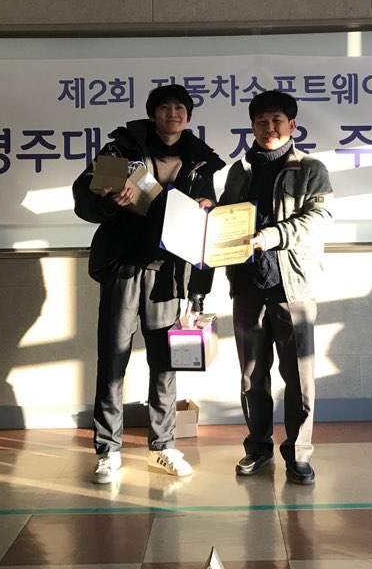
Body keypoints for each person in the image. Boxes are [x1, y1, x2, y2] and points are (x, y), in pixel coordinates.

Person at [72, 84, 225, 484]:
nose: (173, 113)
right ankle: (108, 450)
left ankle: (164, 445)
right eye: (164, 107)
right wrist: (110, 202)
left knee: (165, 362)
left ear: (188, 116)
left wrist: (198, 290)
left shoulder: (201, 161)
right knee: (113, 358)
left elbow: (207, 227)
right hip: (123, 267)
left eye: (180, 107)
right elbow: (84, 202)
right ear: (153, 113)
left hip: (168, 273)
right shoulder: (120, 149)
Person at [219, 90, 333, 485]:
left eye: (277, 120)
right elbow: (225, 221)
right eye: (262, 122)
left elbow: (318, 219)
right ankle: (258, 448)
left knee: (299, 378)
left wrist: (271, 236)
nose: (269, 127)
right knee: (251, 376)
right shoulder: (239, 171)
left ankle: (299, 455)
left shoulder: (311, 169)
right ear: (252, 127)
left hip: (292, 287)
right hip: (247, 286)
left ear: (292, 125)